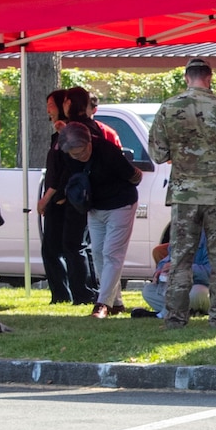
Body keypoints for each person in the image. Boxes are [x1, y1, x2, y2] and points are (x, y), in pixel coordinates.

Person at [149, 58, 216, 329]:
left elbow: (157, 154)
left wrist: (181, 153)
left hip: (185, 195)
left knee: (181, 257)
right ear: (210, 77)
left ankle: (174, 318)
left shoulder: (169, 107)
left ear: (186, 77)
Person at [57, 122, 140, 318]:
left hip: (120, 204)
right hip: (94, 207)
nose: (79, 157)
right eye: (74, 155)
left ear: (89, 142)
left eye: (82, 151)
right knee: (98, 253)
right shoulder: (67, 155)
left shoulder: (107, 150)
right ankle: (116, 303)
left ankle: (102, 303)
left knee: (112, 253)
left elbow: (134, 176)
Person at [36, 90, 91, 306]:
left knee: (67, 246)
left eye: (52, 104)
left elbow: (65, 171)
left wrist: (49, 197)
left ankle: (72, 292)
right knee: (52, 248)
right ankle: (60, 293)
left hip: (63, 198)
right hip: (55, 197)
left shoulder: (71, 134)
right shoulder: (57, 135)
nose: (48, 109)